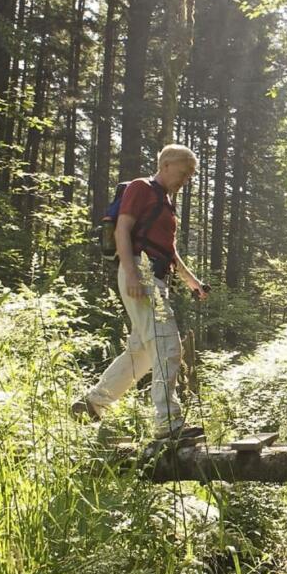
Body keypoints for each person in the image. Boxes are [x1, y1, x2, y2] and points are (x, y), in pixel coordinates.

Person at [72, 144, 208, 443]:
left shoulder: (165, 202)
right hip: (141, 272)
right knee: (167, 345)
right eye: (184, 173)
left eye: (190, 176)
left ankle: (92, 404)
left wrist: (192, 282)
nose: (185, 180)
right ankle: (167, 423)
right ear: (167, 164)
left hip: (155, 274)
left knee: (144, 352)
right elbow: (122, 230)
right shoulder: (140, 188)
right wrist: (132, 273)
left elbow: (169, 250)